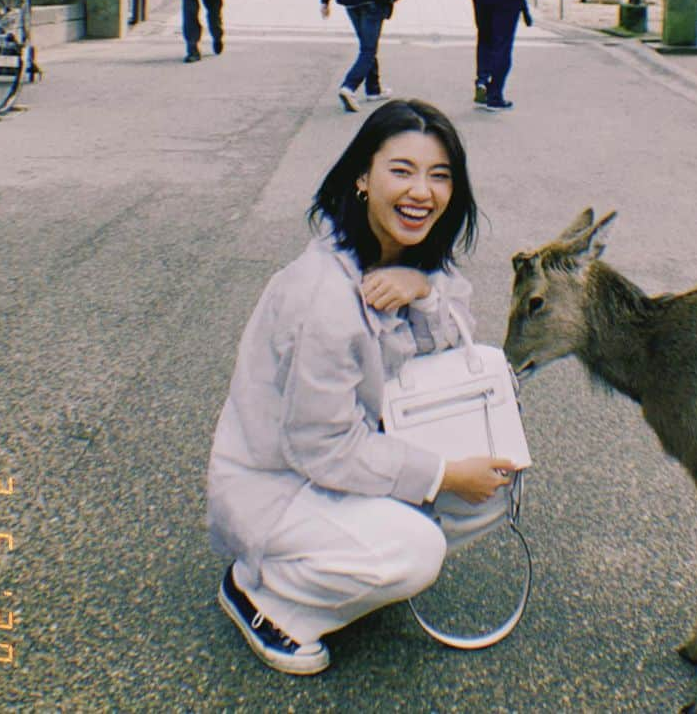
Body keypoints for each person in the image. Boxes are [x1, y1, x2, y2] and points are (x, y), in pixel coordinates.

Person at [207, 99, 516, 676]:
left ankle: (350, 563)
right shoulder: (322, 297)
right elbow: (319, 449)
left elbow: (450, 347)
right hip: (282, 485)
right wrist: (443, 476)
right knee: (418, 550)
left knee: (496, 482)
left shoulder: (407, 259)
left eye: (439, 175)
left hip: (353, 459)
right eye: (401, 170)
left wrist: (422, 288)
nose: (422, 191)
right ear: (361, 178)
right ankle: (265, 595)